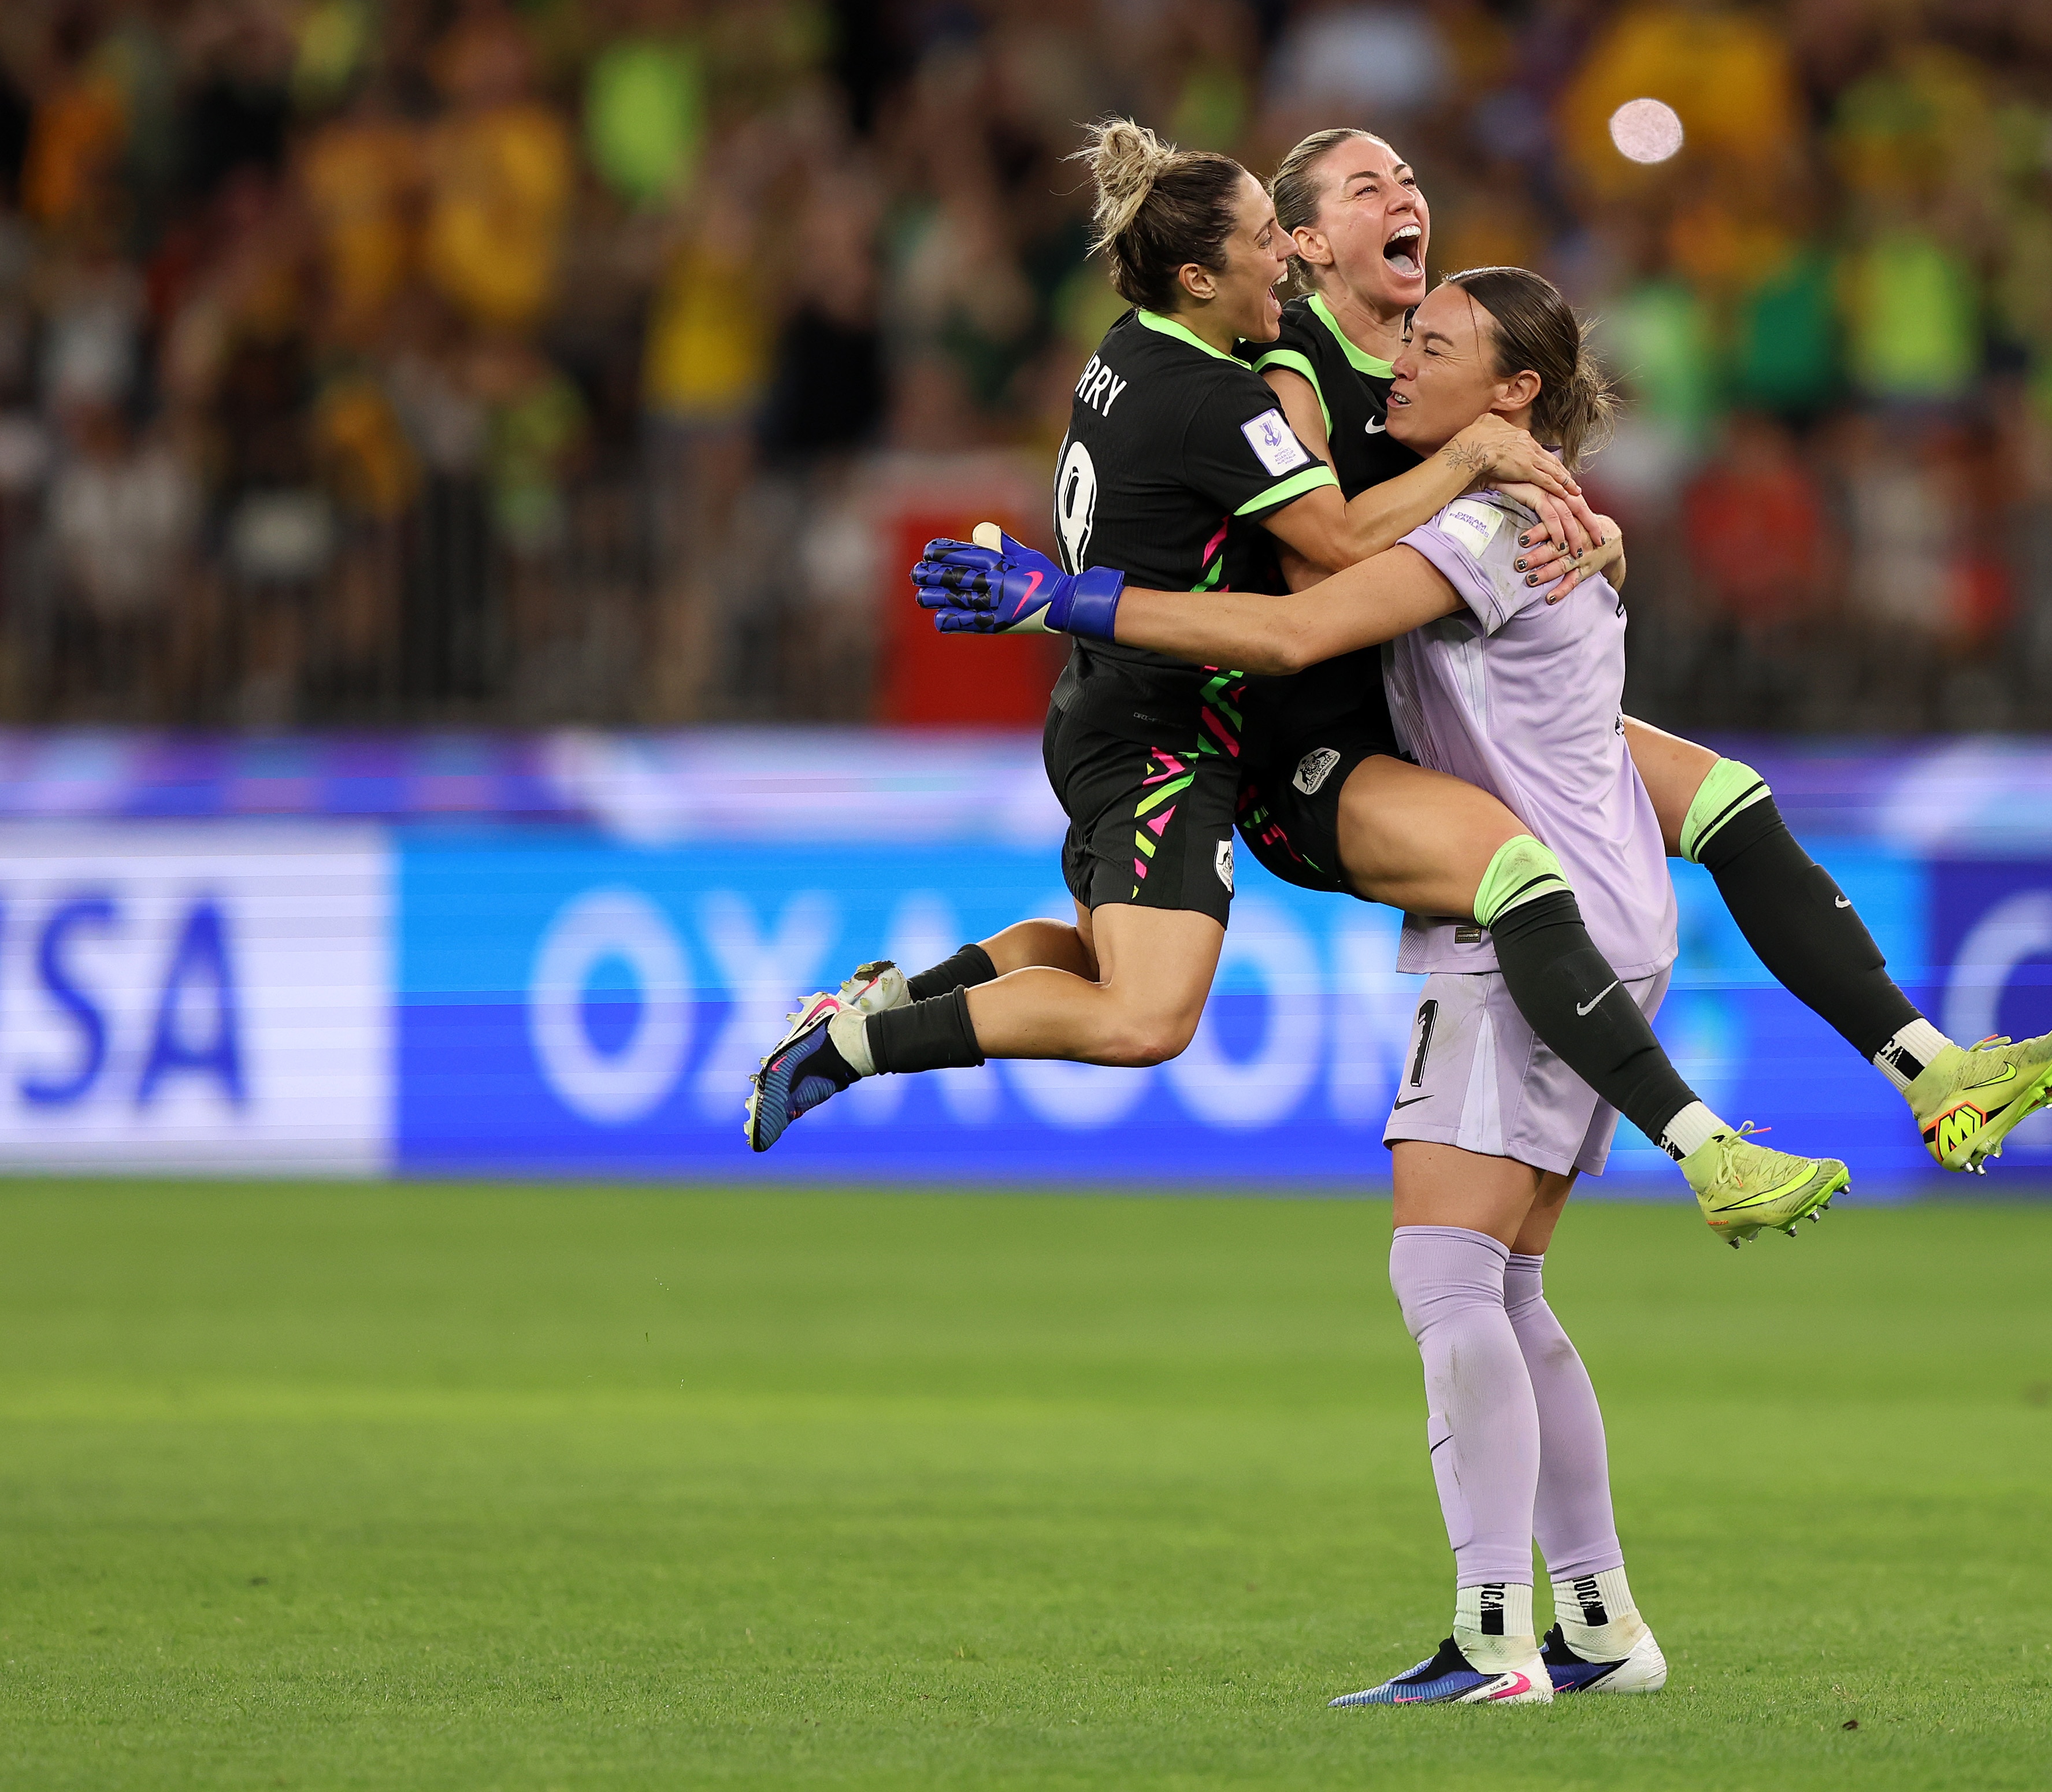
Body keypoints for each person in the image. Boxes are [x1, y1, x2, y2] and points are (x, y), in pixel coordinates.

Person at [921, 266, 1857, 1700]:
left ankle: (1493, 1636)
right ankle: (1598, 1623)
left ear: (1513, 393)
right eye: (1400, 332)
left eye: (1434, 347)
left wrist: (1077, 601)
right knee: (1512, 1284)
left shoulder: (1480, 517)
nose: (1398, 359)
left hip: (1519, 914)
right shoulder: (1509, 500)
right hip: (1582, 896)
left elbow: (1297, 626)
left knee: (1442, 1271)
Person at [747, 120, 1843, 1244]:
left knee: (1088, 955)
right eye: (1268, 242)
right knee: (1142, 1016)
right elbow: (1332, 543)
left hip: (1104, 711)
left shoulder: (1123, 353)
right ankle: (851, 1045)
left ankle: (880, 1002)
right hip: (1169, 732)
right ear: (1198, 275)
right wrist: (1470, 458)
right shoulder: (1223, 402)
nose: (1288, 261)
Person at [1235, 127, 2052, 1169]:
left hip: (1448, 693)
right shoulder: (1301, 371)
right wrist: (1472, 472)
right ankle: (1701, 1147)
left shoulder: (1436, 355)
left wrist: (1593, 542)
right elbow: (1313, 564)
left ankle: (1928, 1066)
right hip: (1337, 738)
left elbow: (1512, 539)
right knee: (1521, 894)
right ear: (1309, 242)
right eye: (1365, 189)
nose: (1400, 199)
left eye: (1407, 179)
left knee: (1729, 798)